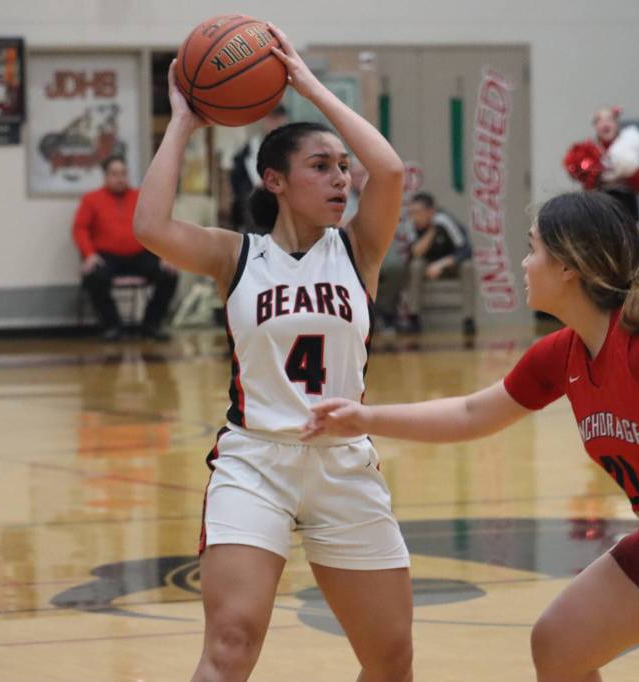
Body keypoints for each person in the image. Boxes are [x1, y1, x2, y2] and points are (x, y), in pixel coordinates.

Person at [304, 191, 639, 682]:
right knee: (558, 644)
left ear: (569, 266)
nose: (524, 263)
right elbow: (471, 413)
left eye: (533, 248)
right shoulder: (562, 354)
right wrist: (365, 419)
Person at [133, 24, 412, 682]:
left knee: (391, 659)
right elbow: (150, 226)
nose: (341, 178)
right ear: (275, 181)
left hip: (343, 461)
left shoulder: (359, 249)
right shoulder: (236, 255)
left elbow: (390, 170)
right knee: (231, 643)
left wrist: (308, 86)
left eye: (342, 166)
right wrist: (183, 122)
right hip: (255, 461)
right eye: (321, 166)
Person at [73, 154, 178, 341]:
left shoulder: (140, 197)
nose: (120, 178)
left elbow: (156, 227)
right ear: (106, 176)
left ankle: (150, 324)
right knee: (94, 276)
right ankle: (112, 326)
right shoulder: (91, 199)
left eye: (123, 173)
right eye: (115, 174)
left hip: (139, 254)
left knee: (169, 274)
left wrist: (164, 255)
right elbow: (79, 229)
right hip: (107, 256)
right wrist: (89, 254)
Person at [400, 192, 476, 336]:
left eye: (418, 212)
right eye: (412, 212)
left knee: (468, 266)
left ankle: (468, 320)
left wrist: (441, 264)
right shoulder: (410, 223)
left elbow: (466, 250)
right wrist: (431, 230)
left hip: (450, 263)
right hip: (427, 265)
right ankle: (413, 318)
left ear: (431, 211)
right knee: (415, 265)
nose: (414, 216)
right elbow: (415, 252)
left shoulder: (444, 220)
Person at [227, 105, 289, 231]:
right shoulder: (249, 149)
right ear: (264, 120)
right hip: (256, 209)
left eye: (278, 118)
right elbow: (238, 183)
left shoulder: (292, 148)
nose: (275, 124)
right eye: (271, 119)